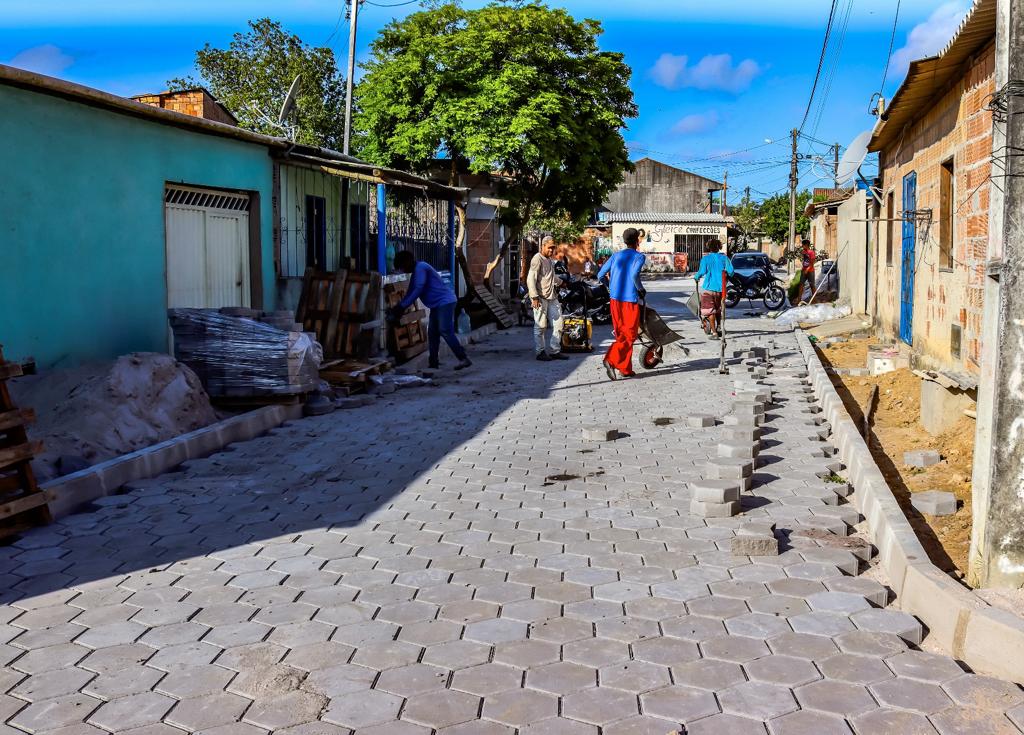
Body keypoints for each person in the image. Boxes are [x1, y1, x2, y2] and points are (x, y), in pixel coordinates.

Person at [389, 250, 472, 371]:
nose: (402, 270)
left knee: (445, 330)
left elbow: (417, 289)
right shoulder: (416, 272)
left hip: (445, 302)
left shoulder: (421, 268)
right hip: (437, 304)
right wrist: (399, 308)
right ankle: (433, 362)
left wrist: (400, 308)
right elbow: (410, 293)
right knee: (432, 333)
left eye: (402, 267)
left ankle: (463, 358)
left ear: (407, 262)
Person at [598, 228, 646, 380]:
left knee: (622, 335)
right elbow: (633, 274)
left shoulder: (615, 256)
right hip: (629, 301)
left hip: (614, 300)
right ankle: (610, 360)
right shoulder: (639, 257)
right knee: (630, 335)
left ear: (625, 241)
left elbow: (600, 274)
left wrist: (610, 287)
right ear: (637, 240)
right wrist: (641, 289)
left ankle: (625, 369)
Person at [527, 237, 568, 361]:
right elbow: (530, 279)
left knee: (559, 323)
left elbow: (551, 277)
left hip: (552, 296)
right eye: (549, 247)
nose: (551, 250)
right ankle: (540, 352)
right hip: (540, 297)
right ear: (543, 246)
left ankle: (555, 350)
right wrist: (534, 297)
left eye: (553, 247)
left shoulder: (549, 260)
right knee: (541, 326)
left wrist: (561, 282)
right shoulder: (537, 259)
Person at [694, 238, 734, 339]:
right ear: (719, 247)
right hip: (721, 289)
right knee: (718, 309)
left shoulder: (706, 259)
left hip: (709, 289)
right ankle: (720, 327)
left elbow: (701, 272)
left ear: (709, 248)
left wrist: (696, 277)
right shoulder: (724, 258)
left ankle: (714, 332)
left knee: (709, 311)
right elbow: (731, 272)